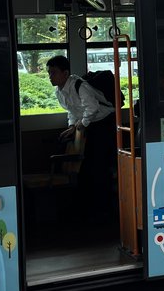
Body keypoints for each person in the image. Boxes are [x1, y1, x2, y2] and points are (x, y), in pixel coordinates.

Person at [46, 55, 116, 225]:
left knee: (99, 167)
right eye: (49, 73)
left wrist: (82, 124)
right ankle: (89, 209)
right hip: (90, 124)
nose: (50, 76)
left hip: (103, 123)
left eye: (53, 72)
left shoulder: (79, 85)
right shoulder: (60, 92)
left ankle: (104, 211)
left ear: (65, 73)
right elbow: (72, 111)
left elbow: (92, 108)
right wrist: (72, 126)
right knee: (88, 167)